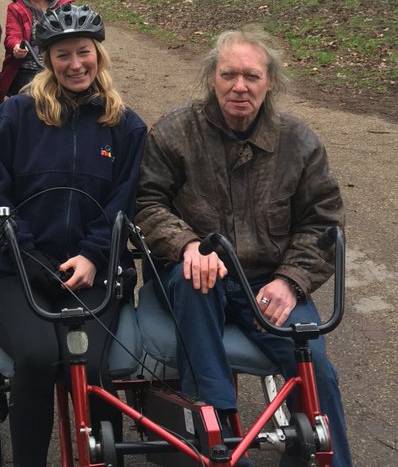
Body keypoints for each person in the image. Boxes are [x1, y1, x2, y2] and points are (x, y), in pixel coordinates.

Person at [134, 26, 353, 466]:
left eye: (251, 76)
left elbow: (323, 222)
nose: (239, 87)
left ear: (270, 82)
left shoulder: (299, 142)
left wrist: (290, 281)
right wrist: (186, 245)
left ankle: (327, 456)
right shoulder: (174, 133)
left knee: (315, 372)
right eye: (228, 74)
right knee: (196, 283)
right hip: (196, 279)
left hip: (268, 282)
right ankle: (221, 437)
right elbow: (146, 201)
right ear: (211, 77)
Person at [0, 4, 147, 467]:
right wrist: (26, 252)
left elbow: (123, 201)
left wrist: (94, 255)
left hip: (93, 268)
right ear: (47, 60)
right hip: (17, 266)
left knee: (90, 366)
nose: (75, 65)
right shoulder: (16, 114)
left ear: (98, 55)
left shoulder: (126, 126)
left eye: (84, 53)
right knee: (37, 356)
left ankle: (106, 458)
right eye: (63, 55)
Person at [0, 0, 72, 98]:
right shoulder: (15, 9)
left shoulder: (64, 6)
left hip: (60, 67)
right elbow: (12, 36)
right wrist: (16, 47)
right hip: (27, 69)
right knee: (35, 98)